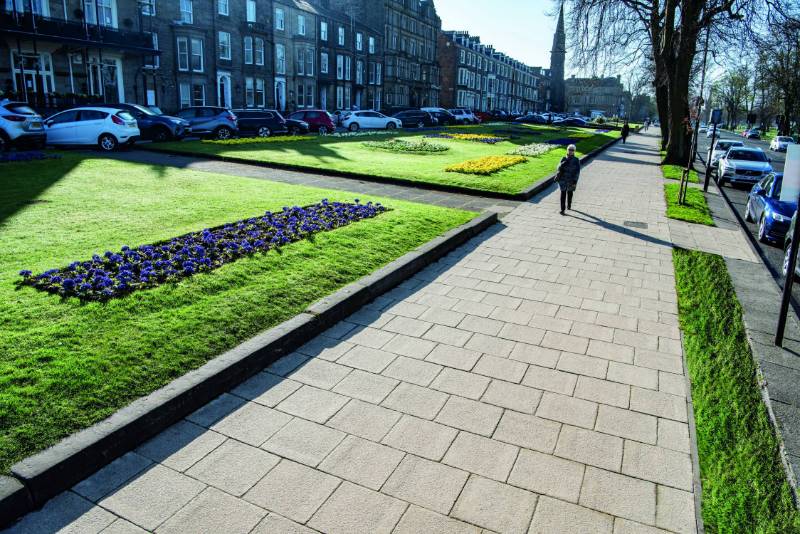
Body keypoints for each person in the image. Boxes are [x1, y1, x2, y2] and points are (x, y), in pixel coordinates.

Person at [555, 144, 580, 215]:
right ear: (567, 150)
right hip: (562, 180)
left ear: (574, 151)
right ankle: (562, 209)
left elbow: (577, 171)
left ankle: (569, 204)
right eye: (569, 149)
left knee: (570, 193)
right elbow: (558, 168)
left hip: (571, 180)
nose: (571, 151)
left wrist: (575, 180)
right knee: (563, 193)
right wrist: (562, 164)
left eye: (572, 150)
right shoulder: (563, 158)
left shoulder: (576, 160)